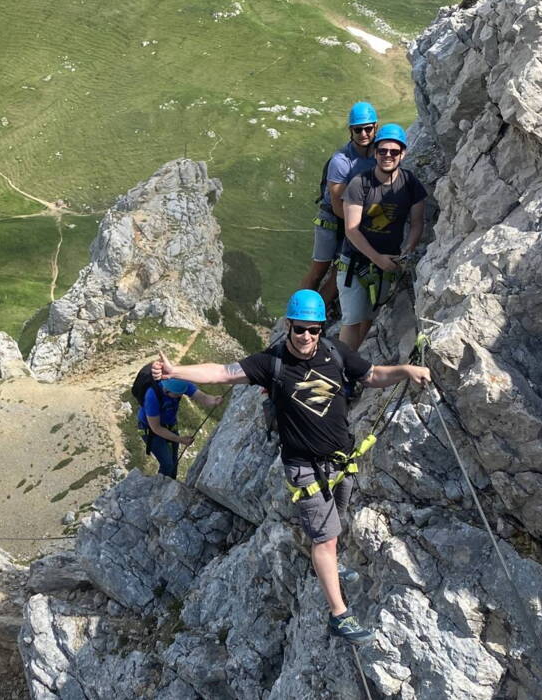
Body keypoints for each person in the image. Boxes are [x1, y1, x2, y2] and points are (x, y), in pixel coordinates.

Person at [150, 290, 431, 643]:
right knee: (325, 539)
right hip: (304, 468)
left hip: (340, 462)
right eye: (300, 329)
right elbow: (222, 372)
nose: (307, 337)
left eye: (314, 330)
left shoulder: (334, 352)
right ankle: (339, 615)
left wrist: (405, 370)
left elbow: (371, 375)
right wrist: (176, 371)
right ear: (289, 326)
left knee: (335, 525)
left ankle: (331, 566)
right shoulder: (272, 363)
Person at [336, 122, 428, 350]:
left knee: (369, 316)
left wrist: (408, 250)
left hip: (387, 264)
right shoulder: (360, 184)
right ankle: (342, 373)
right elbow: (351, 229)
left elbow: (417, 223)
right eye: (382, 151)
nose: (388, 155)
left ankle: (350, 363)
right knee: (352, 320)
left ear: (403, 154)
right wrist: (379, 259)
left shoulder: (410, 184)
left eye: (394, 151)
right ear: (375, 152)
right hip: (356, 263)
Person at [301, 101, 380, 312]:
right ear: (350, 131)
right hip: (332, 219)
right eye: (358, 129)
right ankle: (298, 314)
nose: (363, 133)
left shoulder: (380, 156)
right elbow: (337, 206)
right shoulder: (341, 161)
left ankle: (319, 314)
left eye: (368, 128)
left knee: (340, 270)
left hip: (355, 218)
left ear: (375, 128)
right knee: (319, 268)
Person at [138, 378, 223, 480]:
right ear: (167, 391)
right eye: (178, 394)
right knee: (167, 463)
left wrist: (213, 400)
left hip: (170, 424)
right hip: (150, 431)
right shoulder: (151, 396)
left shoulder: (181, 384)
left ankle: (171, 484)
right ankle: (162, 488)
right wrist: (180, 439)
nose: (180, 396)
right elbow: (156, 428)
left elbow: (203, 397)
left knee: (174, 461)